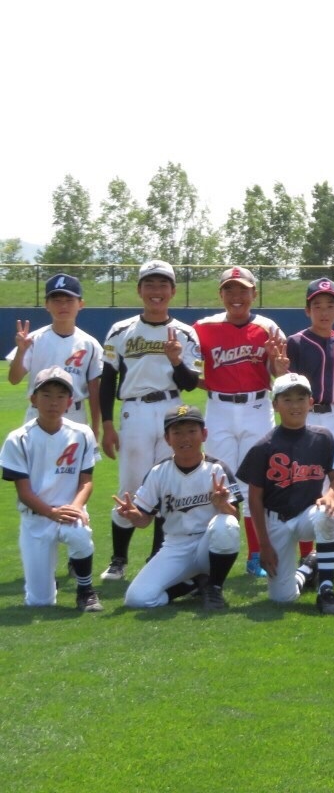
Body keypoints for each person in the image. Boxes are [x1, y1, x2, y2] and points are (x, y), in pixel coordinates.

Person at [99, 259, 202, 581]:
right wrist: (106, 425)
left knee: (167, 486)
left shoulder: (186, 333)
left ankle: (157, 556)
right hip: (136, 410)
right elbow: (107, 380)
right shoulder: (120, 330)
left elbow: (188, 382)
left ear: (173, 291)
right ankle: (118, 559)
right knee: (131, 486)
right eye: (150, 285)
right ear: (140, 290)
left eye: (162, 285)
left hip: (172, 410)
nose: (156, 291)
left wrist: (175, 360)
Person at [194, 266, 288, 578]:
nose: (237, 296)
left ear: (254, 293)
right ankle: (206, 557)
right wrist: (204, 381)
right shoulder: (202, 327)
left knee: (254, 485)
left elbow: (281, 375)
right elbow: (190, 372)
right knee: (216, 481)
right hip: (219, 408)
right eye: (230, 290)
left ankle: (256, 555)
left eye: (243, 290)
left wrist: (279, 364)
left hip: (257, 406)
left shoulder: (267, 327)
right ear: (220, 294)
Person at [236, 373, 334, 614]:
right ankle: (309, 567)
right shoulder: (263, 446)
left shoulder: (323, 437)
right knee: (282, 599)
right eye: (287, 399)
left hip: (309, 514)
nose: (295, 405)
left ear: (310, 402)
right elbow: (254, 498)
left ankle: (326, 589)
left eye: (300, 398)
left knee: (327, 514)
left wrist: (330, 496)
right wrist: (263, 545)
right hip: (276, 520)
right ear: (275, 405)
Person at [117, 404, 242, 610]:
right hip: (176, 546)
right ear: (167, 438)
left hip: (208, 544)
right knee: (137, 599)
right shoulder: (159, 472)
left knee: (226, 524)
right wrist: (133, 516)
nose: (185, 438)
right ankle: (190, 584)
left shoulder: (217, 469)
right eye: (177, 432)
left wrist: (223, 506)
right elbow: (144, 520)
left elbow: (234, 518)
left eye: (192, 431)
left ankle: (214, 588)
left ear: (204, 434)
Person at [2, 366, 102, 611]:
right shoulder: (19, 438)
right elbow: (23, 491)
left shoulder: (82, 433)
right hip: (36, 517)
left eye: (60, 396)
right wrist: (51, 513)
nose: (53, 402)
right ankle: (47, 584)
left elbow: (86, 481)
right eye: (46, 395)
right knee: (40, 602)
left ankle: (85, 590)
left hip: (69, 509)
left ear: (69, 402)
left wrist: (76, 507)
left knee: (79, 533)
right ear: (33, 399)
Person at [8, 273, 103, 438]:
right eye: (56, 300)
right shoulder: (34, 339)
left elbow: (94, 391)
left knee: (74, 465)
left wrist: (95, 428)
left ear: (81, 304)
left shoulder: (90, 344)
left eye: (69, 300)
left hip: (75, 415)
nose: (63, 306)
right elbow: (14, 379)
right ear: (47, 305)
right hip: (38, 414)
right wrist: (21, 351)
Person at [285, 277, 334, 437]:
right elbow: (287, 385)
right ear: (307, 310)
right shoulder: (296, 342)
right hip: (306, 414)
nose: (324, 312)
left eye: (330, 306)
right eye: (317, 306)